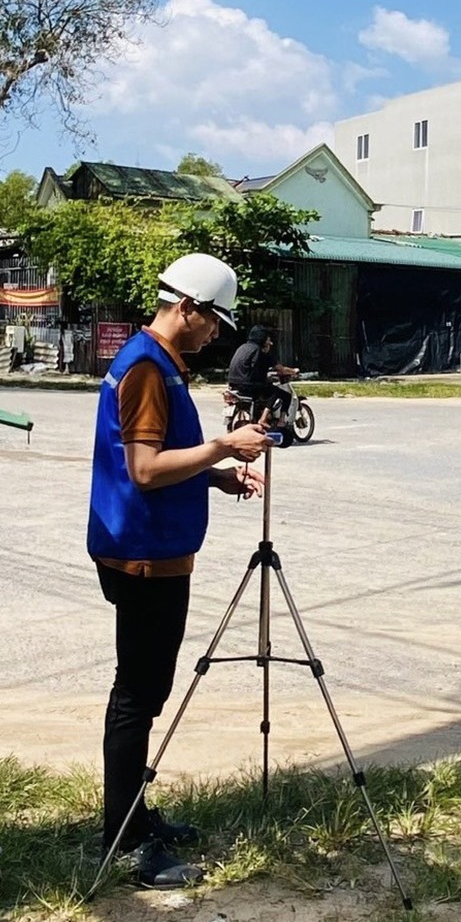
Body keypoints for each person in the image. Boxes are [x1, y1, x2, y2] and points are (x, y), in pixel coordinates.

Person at [87, 253, 272, 887]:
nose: (216, 332)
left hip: (151, 548)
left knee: (146, 692)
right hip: (143, 556)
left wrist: (215, 475)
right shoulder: (145, 368)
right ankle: (123, 839)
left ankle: (133, 817)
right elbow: (143, 468)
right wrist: (224, 445)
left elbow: (162, 458)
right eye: (213, 320)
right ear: (186, 307)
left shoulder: (158, 362)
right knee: (138, 697)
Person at [226, 324, 294, 426]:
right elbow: (281, 369)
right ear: (262, 338)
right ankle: (268, 419)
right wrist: (294, 371)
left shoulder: (243, 347)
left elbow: (253, 369)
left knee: (265, 389)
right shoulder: (259, 351)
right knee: (281, 394)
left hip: (234, 384)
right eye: (267, 337)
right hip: (249, 386)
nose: (269, 340)